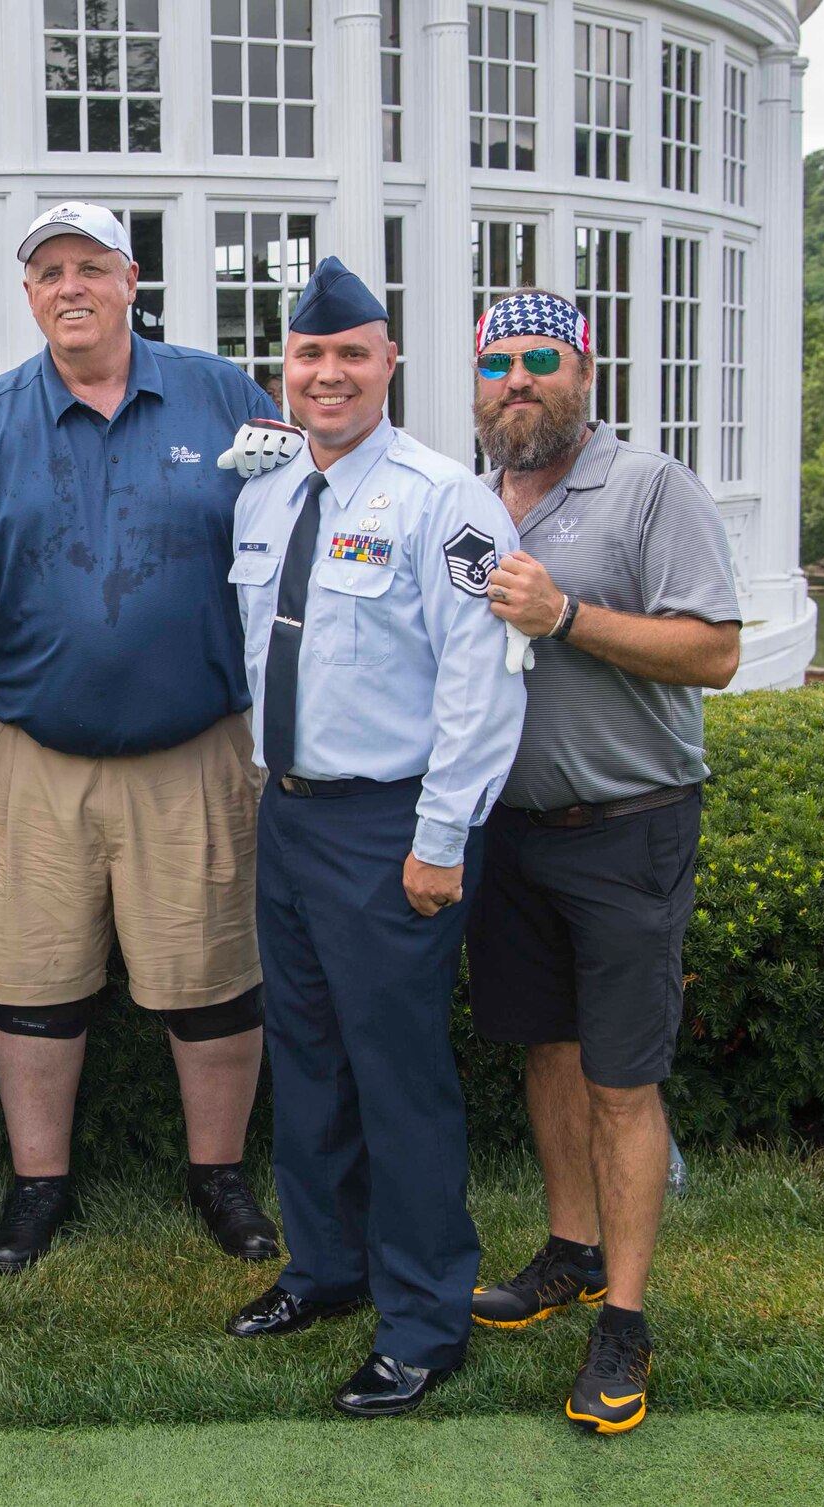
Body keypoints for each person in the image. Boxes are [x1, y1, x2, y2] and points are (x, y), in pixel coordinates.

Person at [0, 202, 283, 1275]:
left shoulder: (223, 396)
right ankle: (36, 1184)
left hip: (193, 746)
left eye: (89, 267)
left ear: (130, 278)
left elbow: (293, 535)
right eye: (48, 270)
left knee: (212, 981)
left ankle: (218, 1175)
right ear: (28, 293)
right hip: (32, 751)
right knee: (32, 980)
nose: (70, 287)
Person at [220, 257, 525, 1418]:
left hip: (391, 824)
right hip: (288, 814)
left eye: (351, 354)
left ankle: (423, 1318)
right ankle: (327, 1268)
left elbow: (482, 681)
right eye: (309, 355)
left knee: (395, 1078)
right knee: (304, 1061)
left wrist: (440, 836)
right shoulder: (266, 494)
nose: (328, 373)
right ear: (285, 370)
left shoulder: (446, 500)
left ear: (388, 363)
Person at [461, 289, 740, 1435]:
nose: (515, 379)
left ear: (584, 372)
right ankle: (569, 1250)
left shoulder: (647, 486)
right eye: (496, 363)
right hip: (507, 832)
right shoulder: (466, 499)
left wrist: (566, 614)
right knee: (547, 1050)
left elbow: (713, 651)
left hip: (626, 826)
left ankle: (621, 1319)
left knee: (622, 1080)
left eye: (539, 359)